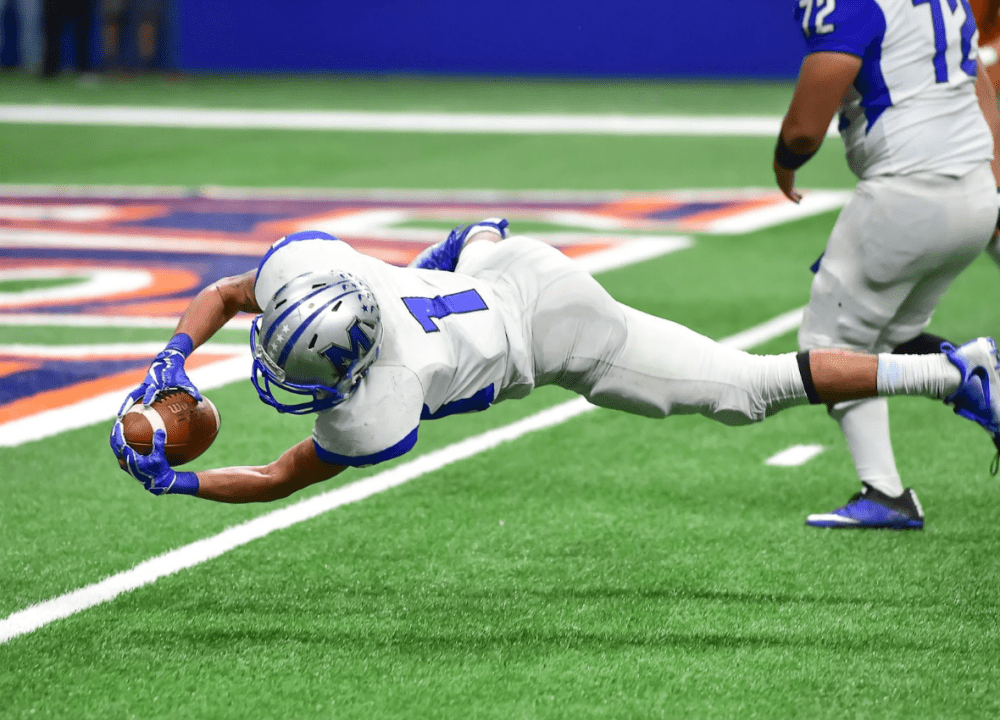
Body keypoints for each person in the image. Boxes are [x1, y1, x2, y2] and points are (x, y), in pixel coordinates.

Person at [109, 221, 1000, 506]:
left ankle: (954, 373)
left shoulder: (375, 405)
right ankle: (956, 374)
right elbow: (228, 299)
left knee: (749, 390)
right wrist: (170, 361)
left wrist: (179, 485)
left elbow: (276, 473)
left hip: (555, 334)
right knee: (461, 248)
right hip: (503, 262)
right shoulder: (320, 275)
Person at [775, 0, 999, 529]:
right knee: (888, 337)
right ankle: (964, 383)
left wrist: (784, 163)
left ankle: (890, 486)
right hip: (971, 188)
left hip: (908, 192)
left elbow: (808, 123)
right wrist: (991, 182)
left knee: (828, 348)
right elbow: (982, 88)